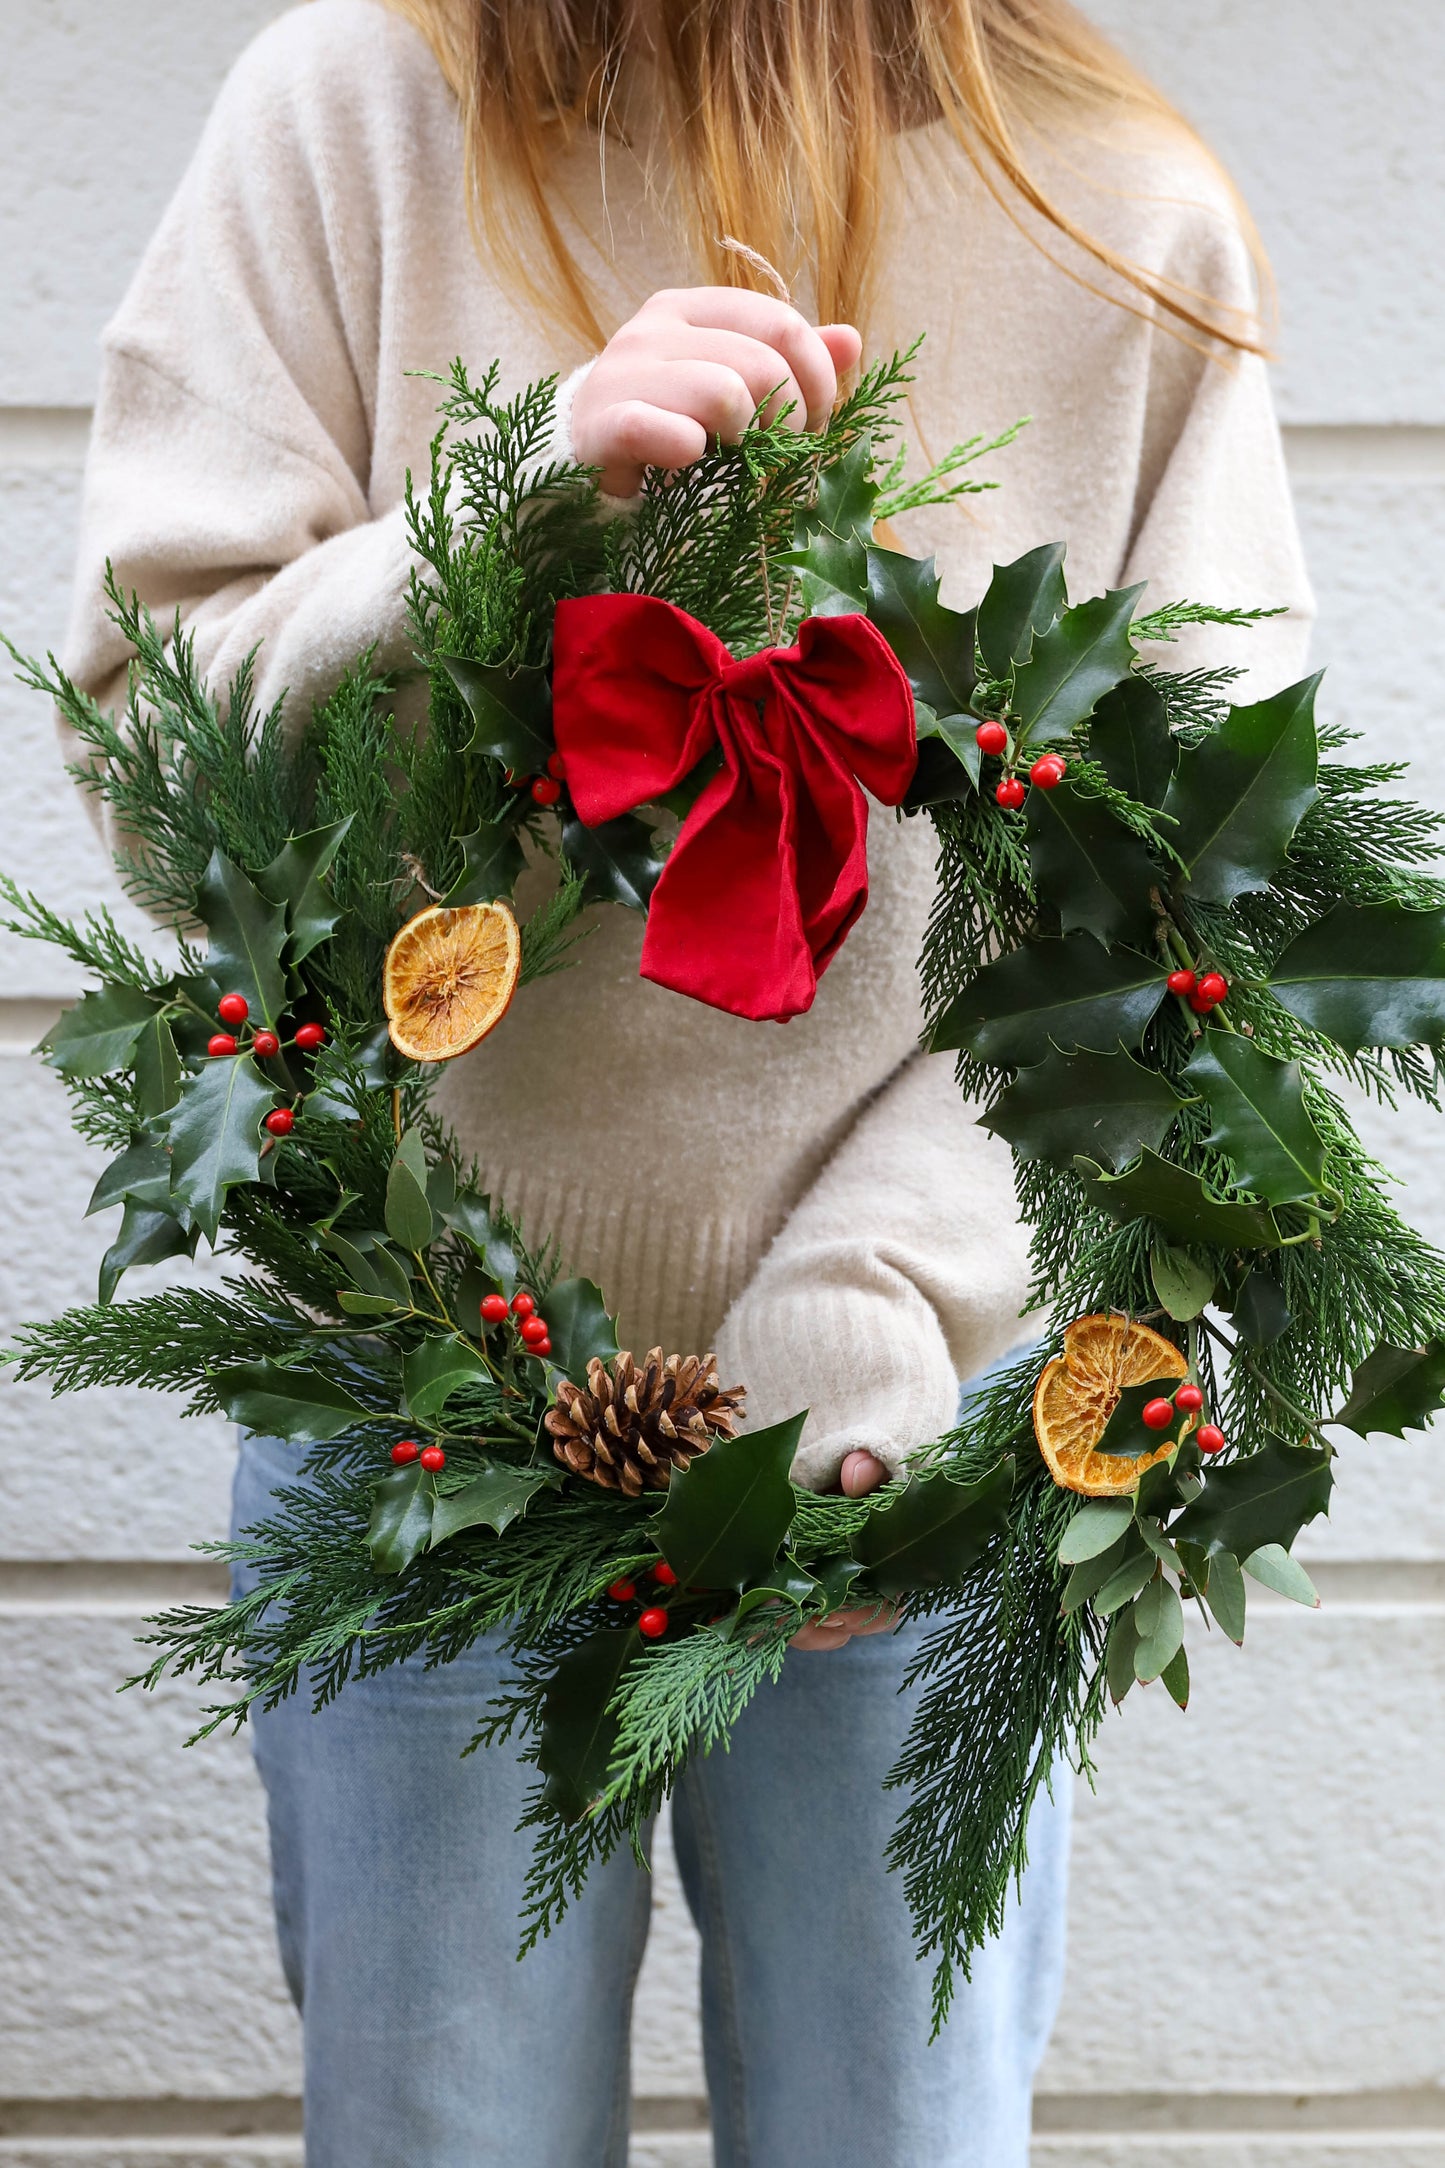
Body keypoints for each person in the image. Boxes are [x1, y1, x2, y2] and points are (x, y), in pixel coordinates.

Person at [61, 3, 1313, 2161]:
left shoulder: (1112, 215)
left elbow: (1192, 916)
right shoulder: (353, 114)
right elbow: (156, 793)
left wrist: (891, 1281)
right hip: (414, 1415)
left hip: (917, 1441)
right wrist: (493, 510)